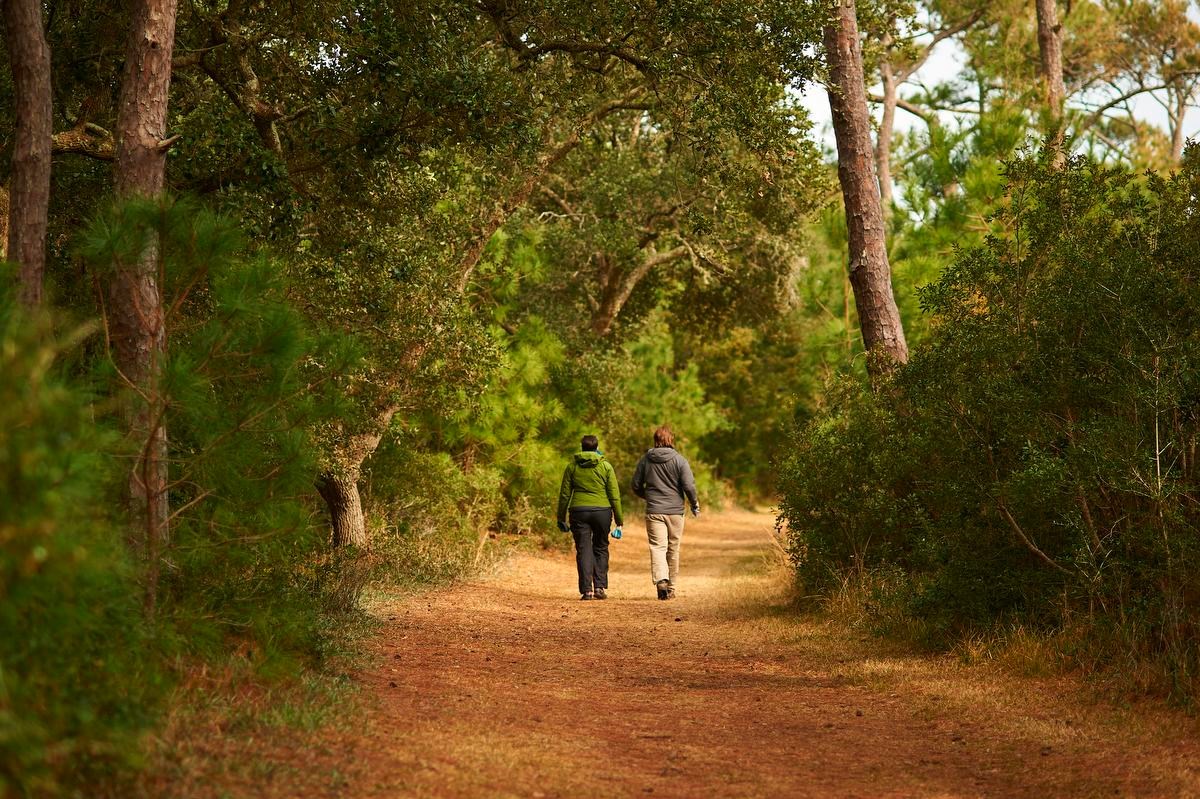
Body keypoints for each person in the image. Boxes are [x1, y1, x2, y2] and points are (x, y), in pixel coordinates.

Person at [632, 425, 699, 600]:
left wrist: (649, 497)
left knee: (657, 547)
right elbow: (689, 486)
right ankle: (671, 588)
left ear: (655, 440)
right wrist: (694, 504)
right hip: (676, 512)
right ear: (671, 440)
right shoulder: (680, 460)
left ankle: (661, 579)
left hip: (654, 510)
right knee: (673, 549)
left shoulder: (646, 460)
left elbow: (635, 485)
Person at [556, 434, 624, 600]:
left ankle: (587, 591)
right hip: (602, 511)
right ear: (596, 447)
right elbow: (614, 495)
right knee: (600, 546)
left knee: (583, 549)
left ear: (582, 447)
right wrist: (619, 521)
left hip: (578, 511)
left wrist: (561, 518)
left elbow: (565, 494)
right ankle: (599, 587)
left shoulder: (572, 467)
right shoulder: (606, 467)